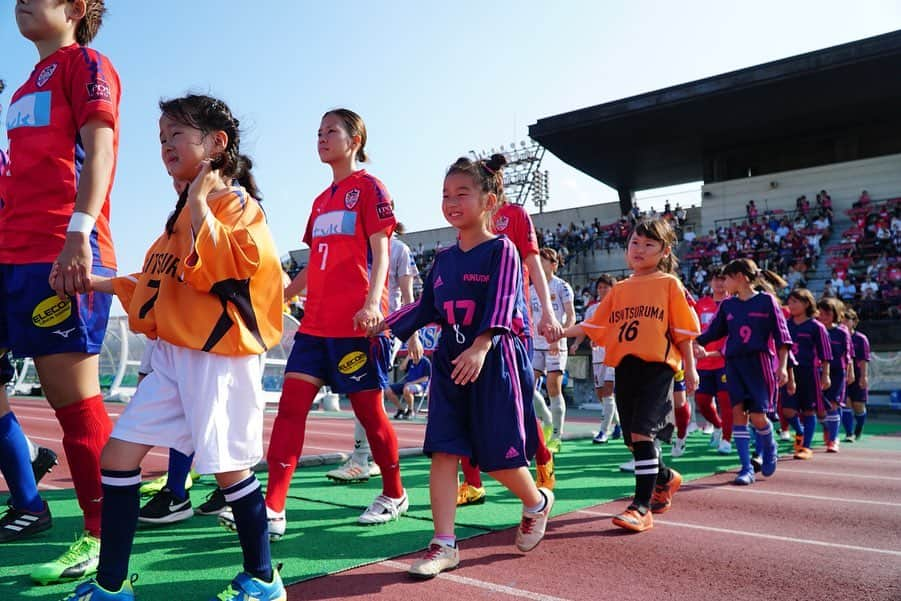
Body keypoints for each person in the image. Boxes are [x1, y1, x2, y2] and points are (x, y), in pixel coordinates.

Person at [61, 94, 285, 600]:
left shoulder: (238, 206)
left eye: (175, 135)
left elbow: (223, 267)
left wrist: (201, 201)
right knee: (118, 457)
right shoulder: (179, 215)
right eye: (161, 137)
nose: (165, 146)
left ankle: (264, 580)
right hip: (170, 359)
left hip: (217, 358)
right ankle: (112, 587)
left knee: (231, 473)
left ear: (216, 144)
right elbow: (155, 281)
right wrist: (91, 283)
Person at [378, 155, 553, 578]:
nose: (452, 202)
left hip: (494, 364)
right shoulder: (443, 259)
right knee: (444, 451)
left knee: (497, 460)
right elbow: (427, 306)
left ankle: (536, 502)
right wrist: (387, 327)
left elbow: (503, 303)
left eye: (462, 193)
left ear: (488, 200)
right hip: (450, 365)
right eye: (445, 195)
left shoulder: (503, 250)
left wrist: (481, 345)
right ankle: (444, 543)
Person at [4, 0, 119, 584]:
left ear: (76, 9)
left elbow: (101, 150)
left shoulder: (86, 64)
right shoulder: (23, 85)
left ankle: (102, 538)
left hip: (61, 249)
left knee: (71, 401)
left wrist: (78, 233)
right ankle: (30, 495)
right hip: (10, 255)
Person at [252, 109, 409, 535]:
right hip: (314, 328)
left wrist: (373, 303)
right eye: (318, 132)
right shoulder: (320, 201)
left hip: (354, 325)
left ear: (355, 139)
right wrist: (276, 298)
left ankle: (394, 492)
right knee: (289, 411)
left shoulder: (371, 188)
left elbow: (382, 252)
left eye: (331, 131)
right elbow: (310, 267)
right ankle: (274, 507)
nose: (322, 138)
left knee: (370, 414)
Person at [559, 219, 699, 532]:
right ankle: (665, 478)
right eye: (635, 243)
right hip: (626, 367)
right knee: (632, 441)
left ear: (663, 251)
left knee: (642, 433)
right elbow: (595, 324)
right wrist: (561, 332)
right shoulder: (620, 289)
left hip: (658, 367)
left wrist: (689, 366)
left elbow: (683, 330)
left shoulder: (668, 284)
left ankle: (641, 507)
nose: (639, 250)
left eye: (649, 245)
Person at [457, 163, 563, 506]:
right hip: (471, 326)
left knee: (516, 406)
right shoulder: (468, 220)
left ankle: (542, 458)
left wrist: (546, 311)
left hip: (509, 326)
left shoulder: (515, 215)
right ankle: (472, 483)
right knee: (463, 405)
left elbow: (532, 263)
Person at [326, 219, 423, 483]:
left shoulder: (399, 250)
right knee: (365, 393)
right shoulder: (356, 246)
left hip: (387, 330)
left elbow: (408, 296)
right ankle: (370, 458)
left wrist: (413, 335)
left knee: (367, 391)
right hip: (359, 328)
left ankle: (362, 459)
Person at [695, 259, 791, 485]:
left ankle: (770, 446)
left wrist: (784, 366)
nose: (723, 284)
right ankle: (746, 467)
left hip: (760, 364)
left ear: (739, 277)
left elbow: (782, 337)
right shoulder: (728, 305)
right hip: (734, 365)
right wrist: (696, 342)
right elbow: (713, 332)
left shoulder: (766, 301)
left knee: (758, 416)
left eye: (726, 278)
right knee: (738, 413)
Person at [529, 247, 575, 452]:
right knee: (526, 385)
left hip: (556, 343)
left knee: (553, 386)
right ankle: (546, 420)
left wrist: (561, 335)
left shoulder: (562, 287)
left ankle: (557, 435)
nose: (539, 263)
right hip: (536, 343)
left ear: (554, 264)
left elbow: (571, 315)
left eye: (545, 260)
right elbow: (529, 317)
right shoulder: (531, 289)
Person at [570, 274, 621, 444]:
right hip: (597, 356)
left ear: (613, 289)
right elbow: (585, 329)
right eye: (600, 287)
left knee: (608, 392)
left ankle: (603, 432)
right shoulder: (592, 309)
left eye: (606, 287)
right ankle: (619, 424)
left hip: (614, 355)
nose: (602, 290)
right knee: (602, 395)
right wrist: (577, 343)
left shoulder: (620, 308)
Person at [782, 289, 832, 460]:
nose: (791, 305)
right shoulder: (785, 325)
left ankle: (805, 446)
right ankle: (801, 432)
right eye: (790, 301)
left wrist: (825, 375)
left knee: (809, 411)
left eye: (795, 301)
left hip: (810, 373)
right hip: (789, 373)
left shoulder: (816, 327)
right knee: (787, 410)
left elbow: (825, 354)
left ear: (806, 304)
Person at [692, 268, 732, 454]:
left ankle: (726, 439)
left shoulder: (734, 304)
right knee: (702, 401)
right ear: (710, 282)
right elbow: (694, 331)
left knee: (725, 401)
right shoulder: (701, 305)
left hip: (726, 362)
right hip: (704, 362)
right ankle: (718, 426)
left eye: (723, 279)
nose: (719, 283)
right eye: (716, 279)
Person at [816, 298, 854, 453]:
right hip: (817, 371)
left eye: (828, 313)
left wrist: (850, 372)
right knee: (819, 409)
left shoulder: (841, 332)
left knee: (833, 404)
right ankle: (827, 427)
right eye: (821, 312)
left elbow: (848, 353)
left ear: (835, 314)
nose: (824, 316)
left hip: (838, 372)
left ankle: (833, 439)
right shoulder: (815, 329)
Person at [842, 309, 871, 441]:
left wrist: (863, 377)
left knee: (858, 406)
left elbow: (865, 359)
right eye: (842, 320)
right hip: (842, 376)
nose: (844, 322)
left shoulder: (861, 339)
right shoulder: (838, 336)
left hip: (858, 375)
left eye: (847, 320)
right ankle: (849, 433)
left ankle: (859, 426)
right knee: (846, 404)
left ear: (854, 322)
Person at [386, 353, 432, 419]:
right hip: (407, 384)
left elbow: (426, 378)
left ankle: (410, 410)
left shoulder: (426, 361)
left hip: (421, 385)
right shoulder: (410, 360)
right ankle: (400, 409)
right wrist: (407, 357)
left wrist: (412, 383)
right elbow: (401, 368)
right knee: (388, 390)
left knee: (407, 389)